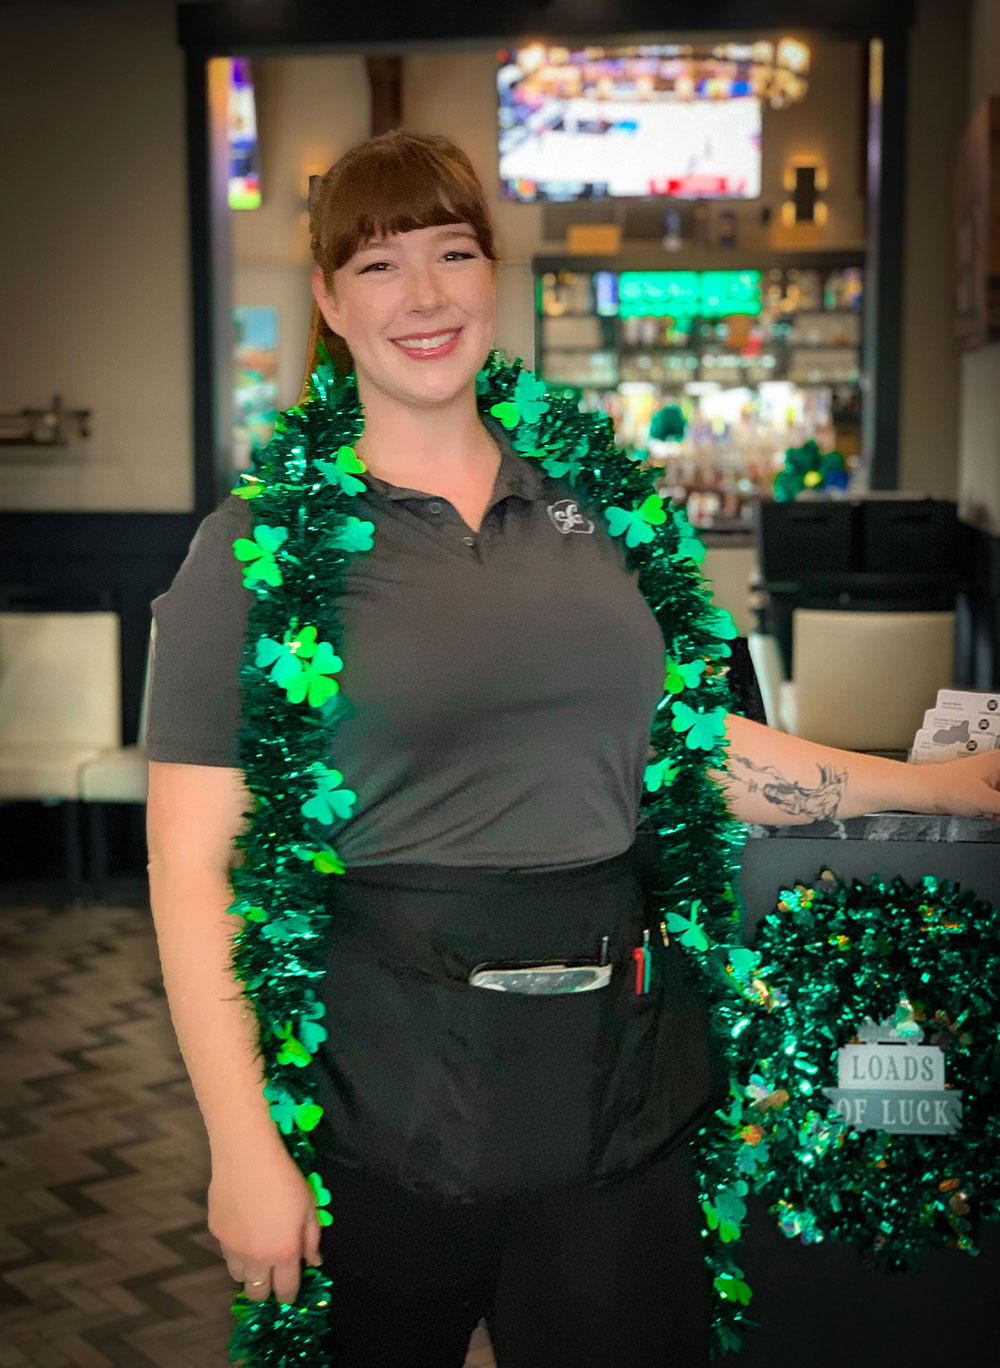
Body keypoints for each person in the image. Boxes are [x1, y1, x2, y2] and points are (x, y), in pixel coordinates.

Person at [144, 131, 1000, 1368]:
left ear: (493, 272)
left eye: (453, 253)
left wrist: (940, 789)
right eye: (379, 265)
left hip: (617, 1086)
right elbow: (192, 871)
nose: (425, 295)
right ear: (329, 300)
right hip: (375, 1097)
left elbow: (686, 755)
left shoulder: (599, 510)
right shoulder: (251, 551)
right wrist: (241, 1148)